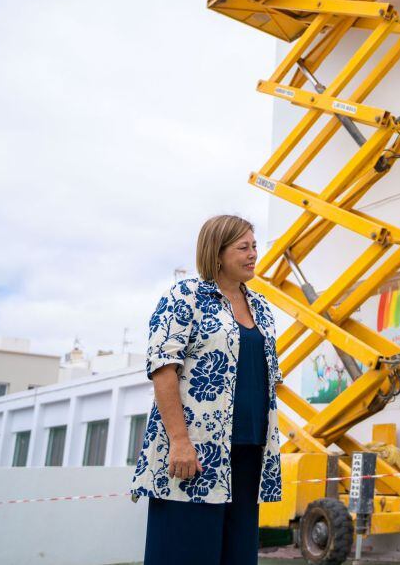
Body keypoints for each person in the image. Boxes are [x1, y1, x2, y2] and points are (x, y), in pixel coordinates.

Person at [131, 214, 283, 565]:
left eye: (255, 246)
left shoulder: (262, 308)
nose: (253, 254)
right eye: (243, 247)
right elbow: (163, 368)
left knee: (238, 557)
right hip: (196, 455)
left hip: (249, 454)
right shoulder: (185, 296)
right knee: (185, 553)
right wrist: (179, 442)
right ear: (217, 252)